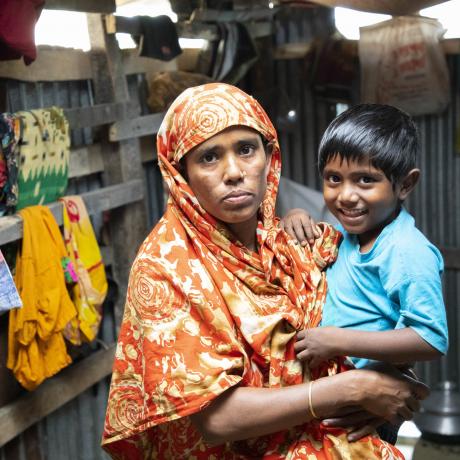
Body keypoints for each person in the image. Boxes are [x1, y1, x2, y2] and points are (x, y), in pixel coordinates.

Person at [101, 85, 427, 459]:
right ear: (180, 174)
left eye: (246, 149)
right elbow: (215, 420)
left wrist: (390, 379)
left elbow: (377, 307)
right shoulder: (166, 267)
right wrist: (351, 389)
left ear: (269, 156)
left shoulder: (292, 241)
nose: (235, 172)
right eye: (209, 157)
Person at [282, 104, 448, 443]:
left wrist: (334, 340)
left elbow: (430, 338)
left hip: (369, 403)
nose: (346, 196)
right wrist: (294, 216)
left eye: (366, 180)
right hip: (337, 390)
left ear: (405, 184)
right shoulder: (348, 235)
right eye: (333, 179)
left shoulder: (405, 250)